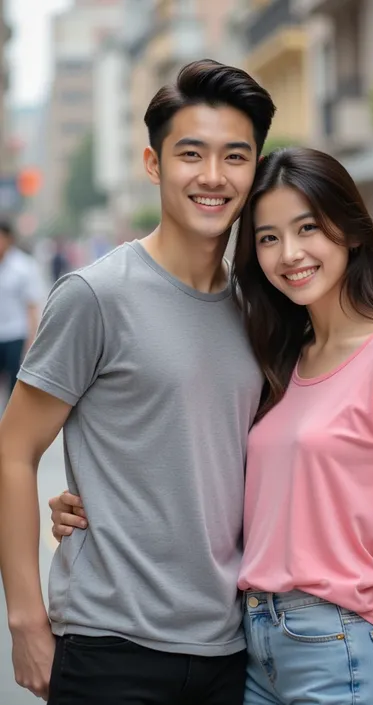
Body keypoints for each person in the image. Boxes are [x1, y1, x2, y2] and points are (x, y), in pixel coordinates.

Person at [53, 148, 373, 705]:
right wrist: (92, 499)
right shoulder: (278, 356)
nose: (290, 254)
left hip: (342, 644)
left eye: (307, 228)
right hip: (252, 645)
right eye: (267, 237)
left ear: (352, 232)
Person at [0, 59, 275, 704]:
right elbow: (14, 450)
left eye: (236, 156)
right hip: (110, 648)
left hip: (231, 648)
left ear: (256, 168)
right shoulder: (96, 296)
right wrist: (25, 620)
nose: (213, 176)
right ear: (153, 165)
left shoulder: (261, 312)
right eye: (191, 154)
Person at [0, 221, 42, 401]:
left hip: (15, 333)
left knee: (13, 385)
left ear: (9, 239)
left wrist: (32, 340)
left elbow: (32, 305)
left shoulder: (23, 266)